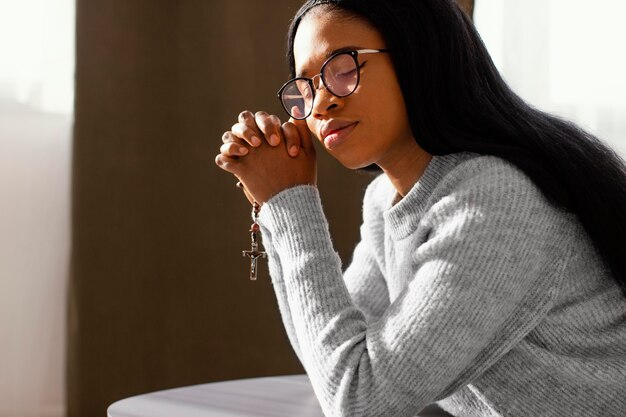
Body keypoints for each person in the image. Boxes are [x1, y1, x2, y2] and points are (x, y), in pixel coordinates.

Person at [215, 0, 626, 416]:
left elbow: (360, 402)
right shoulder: (385, 203)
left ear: (419, 55)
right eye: (305, 87)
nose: (320, 104)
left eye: (343, 69)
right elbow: (330, 363)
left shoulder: (493, 200)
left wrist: (291, 203)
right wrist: (275, 204)